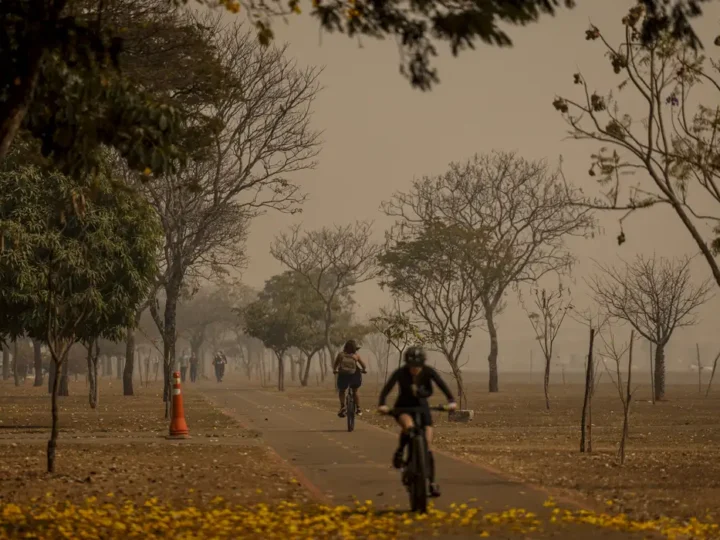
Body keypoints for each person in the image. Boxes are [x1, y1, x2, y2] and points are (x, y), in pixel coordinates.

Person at [378, 346, 457, 498]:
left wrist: (451, 401)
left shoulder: (429, 371)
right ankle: (400, 451)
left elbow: (442, 385)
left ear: (423, 364)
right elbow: (387, 389)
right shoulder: (400, 373)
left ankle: (432, 483)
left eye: (418, 366)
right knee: (409, 427)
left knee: (428, 446)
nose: (415, 369)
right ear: (407, 364)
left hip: (422, 408)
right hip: (403, 407)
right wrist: (382, 404)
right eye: (411, 366)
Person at [333, 339, 367, 418]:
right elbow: (364, 366)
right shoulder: (356, 356)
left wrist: (335, 370)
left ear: (345, 347)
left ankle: (342, 406)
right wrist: (364, 370)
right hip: (353, 376)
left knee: (342, 390)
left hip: (343, 375)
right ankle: (358, 409)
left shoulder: (340, 355)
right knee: (355, 391)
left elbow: (335, 364)